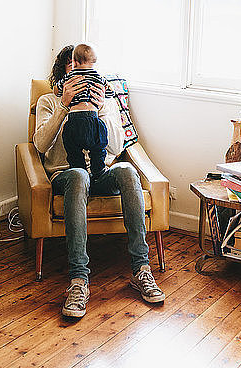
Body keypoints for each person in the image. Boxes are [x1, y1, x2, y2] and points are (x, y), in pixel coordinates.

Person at [33, 44, 165, 318]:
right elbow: (41, 145)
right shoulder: (48, 102)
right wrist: (63, 108)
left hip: (101, 174)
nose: (80, 74)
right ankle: (79, 280)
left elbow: (116, 147)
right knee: (79, 175)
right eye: (73, 67)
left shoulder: (104, 101)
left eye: (85, 70)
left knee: (128, 171)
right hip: (66, 176)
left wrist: (102, 108)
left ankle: (141, 269)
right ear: (64, 73)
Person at [54, 43, 115, 180]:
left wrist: (102, 105)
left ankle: (79, 169)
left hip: (74, 120)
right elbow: (111, 91)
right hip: (93, 120)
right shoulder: (98, 77)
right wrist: (63, 104)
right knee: (99, 146)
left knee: (72, 148)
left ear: (75, 62)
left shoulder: (71, 77)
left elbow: (56, 89)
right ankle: (98, 170)